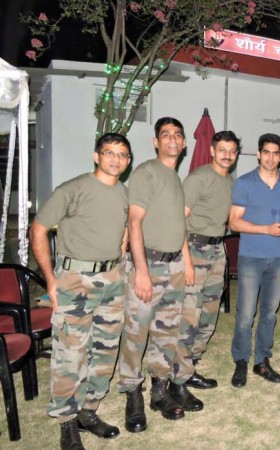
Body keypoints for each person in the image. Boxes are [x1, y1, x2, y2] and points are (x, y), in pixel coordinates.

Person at [30, 133, 131, 449]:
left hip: (112, 280)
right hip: (76, 280)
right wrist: (50, 278)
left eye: (123, 154)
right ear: (96, 156)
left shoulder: (125, 193)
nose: (116, 159)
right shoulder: (72, 189)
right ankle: (67, 421)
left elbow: (125, 230)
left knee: (104, 350)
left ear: (128, 162)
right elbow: (39, 229)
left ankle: (89, 411)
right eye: (109, 152)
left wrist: (122, 261)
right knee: (70, 354)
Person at [117, 117, 200, 434]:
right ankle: (132, 393)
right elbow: (134, 222)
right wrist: (141, 271)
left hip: (175, 266)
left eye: (178, 135)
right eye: (165, 135)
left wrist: (187, 262)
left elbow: (178, 225)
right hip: (148, 264)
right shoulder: (146, 172)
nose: (172, 140)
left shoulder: (175, 177)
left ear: (183, 143)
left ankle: (159, 391)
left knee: (167, 333)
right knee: (137, 334)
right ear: (156, 142)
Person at [173, 131, 240, 392]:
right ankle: (178, 376)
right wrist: (187, 262)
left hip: (217, 251)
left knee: (209, 313)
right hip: (194, 248)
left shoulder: (230, 182)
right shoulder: (199, 178)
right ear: (212, 151)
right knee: (189, 314)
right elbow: (179, 221)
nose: (227, 155)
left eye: (232, 151)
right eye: (222, 150)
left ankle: (191, 365)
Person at [229, 133, 280, 387]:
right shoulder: (244, 183)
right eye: (266, 152)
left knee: (269, 313)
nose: (270, 157)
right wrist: (266, 229)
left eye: (275, 153)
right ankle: (241, 361)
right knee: (246, 313)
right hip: (251, 257)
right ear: (258, 154)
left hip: (278, 258)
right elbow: (234, 222)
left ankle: (262, 361)